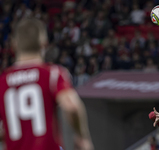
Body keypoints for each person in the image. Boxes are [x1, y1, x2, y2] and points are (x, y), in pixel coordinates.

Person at [0, 18, 93, 150]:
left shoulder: (3, 81)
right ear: (44, 44)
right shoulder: (52, 74)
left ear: (14, 45)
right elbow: (72, 107)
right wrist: (82, 137)